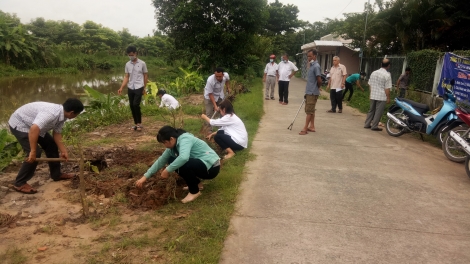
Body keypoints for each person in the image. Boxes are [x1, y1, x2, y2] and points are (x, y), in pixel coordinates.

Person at [8, 98, 84, 194]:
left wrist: (63, 151)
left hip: (33, 125)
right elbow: (34, 129)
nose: (76, 116)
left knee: (51, 145)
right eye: (77, 114)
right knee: (35, 153)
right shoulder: (51, 114)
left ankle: (56, 174)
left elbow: (57, 133)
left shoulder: (63, 115)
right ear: (72, 113)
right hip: (20, 124)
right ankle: (19, 183)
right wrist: (33, 151)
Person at [135, 126, 221, 203]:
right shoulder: (173, 146)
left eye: (165, 142)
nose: (164, 145)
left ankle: (194, 192)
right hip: (203, 166)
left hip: (212, 167)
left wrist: (167, 170)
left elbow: (184, 158)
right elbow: (160, 161)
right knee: (172, 159)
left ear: (171, 139)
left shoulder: (185, 139)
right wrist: (144, 177)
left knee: (182, 163)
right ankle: (197, 185)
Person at [118, 45, 148, 132]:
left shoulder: (142, 63)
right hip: (131, 87)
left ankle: (139, 124)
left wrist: (144, 87)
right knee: (131, 105)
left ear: (135, 53)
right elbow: (127, 76)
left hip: (139, 86)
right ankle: (136, 123)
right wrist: (121, 87)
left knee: (136, 104)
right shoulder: (127, 64)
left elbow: (145, 75)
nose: (130, 56)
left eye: (132, 54)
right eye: (129, 55)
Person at [299, 49, 323, 135]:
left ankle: (305, 128)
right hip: (309, 91)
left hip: (312, 92)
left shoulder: (316, 66)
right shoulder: (311, 66)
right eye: (308, 56)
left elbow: (319, 80)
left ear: (315, 56)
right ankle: (312, 126)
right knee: (311, 110)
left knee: (309, 111)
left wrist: (317, 87)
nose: (308, 58)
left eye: (310, 56)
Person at [364, 59, 392, 131]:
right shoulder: (387, 75)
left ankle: (367, 124)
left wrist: (371, 93)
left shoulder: (374, 72)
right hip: (381, 96)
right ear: (389, 66)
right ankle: (374, 126)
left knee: (371, 110)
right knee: (378, 111)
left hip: (373, 94)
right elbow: (387, 88)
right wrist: (388, 98)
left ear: (380, 64)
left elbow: (370, 84)